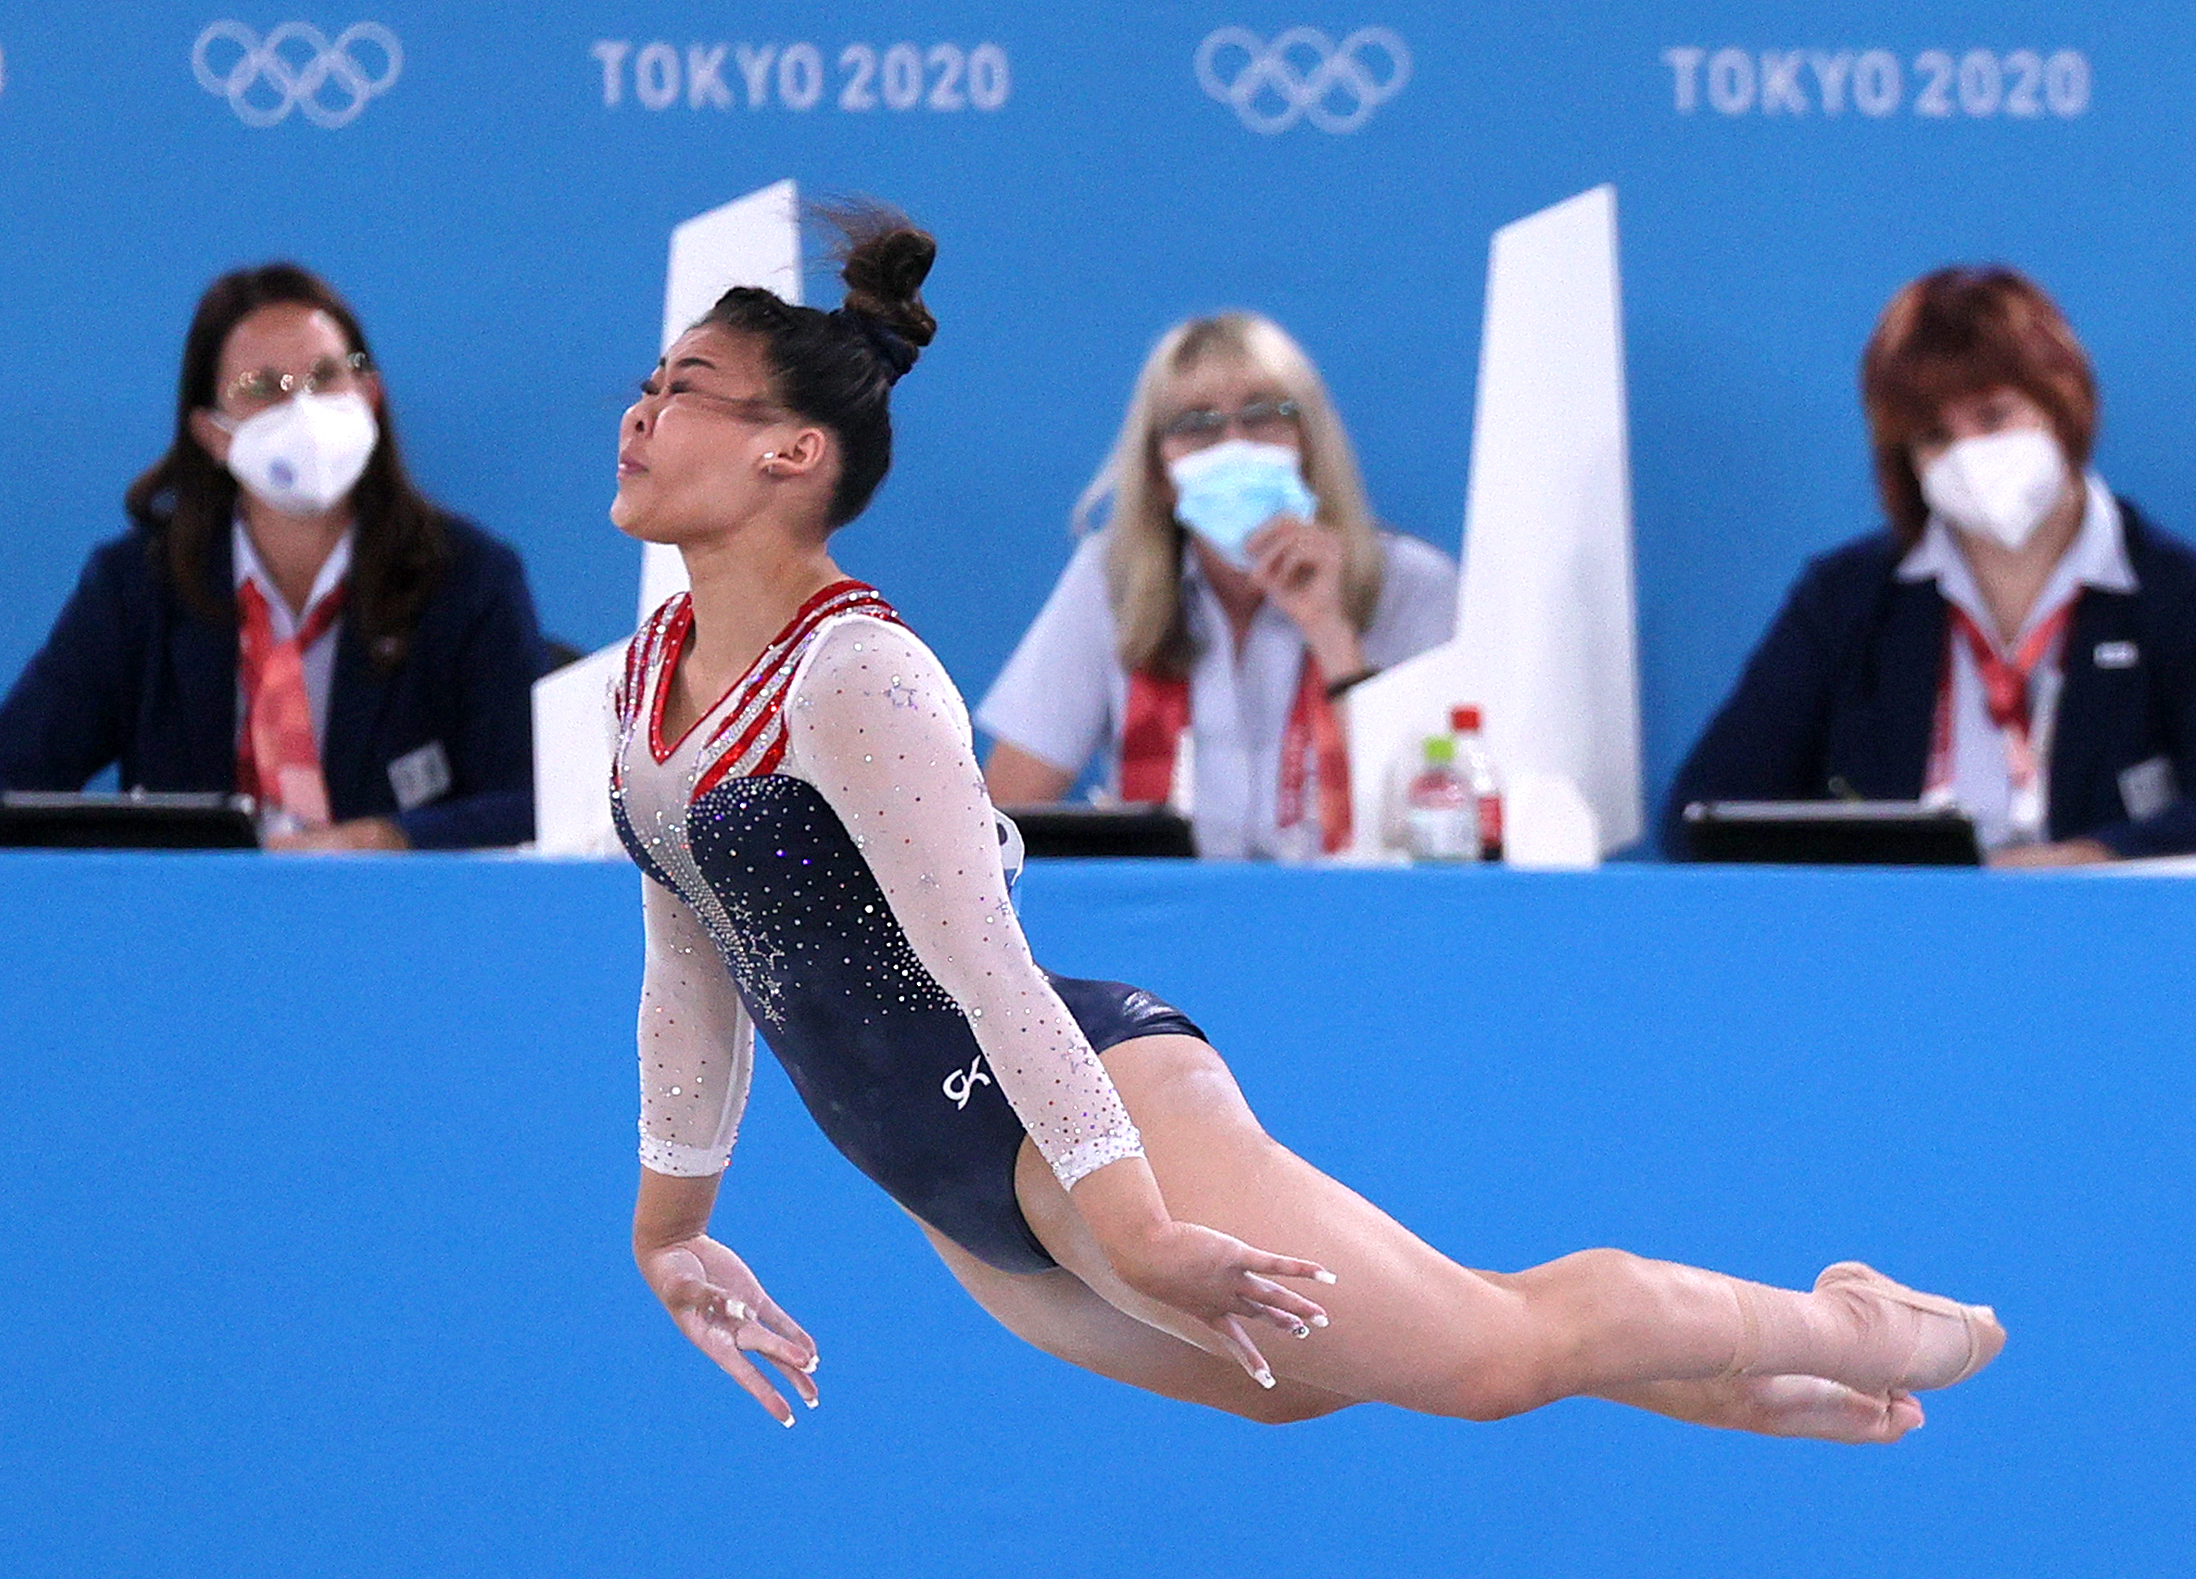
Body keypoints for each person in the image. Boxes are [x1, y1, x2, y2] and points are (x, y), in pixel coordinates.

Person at [610, 205, 2003, 1442]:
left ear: (792, 451)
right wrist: (671, 1229)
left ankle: (1845, 1323)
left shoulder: (856, 670)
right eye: (649, 383)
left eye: (683, 391)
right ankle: (1728, 1375)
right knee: (1354, 1370)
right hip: (936, 1171)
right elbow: (692, 953)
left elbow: (987, 961)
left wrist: (1142, 1225)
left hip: (1066, 1115)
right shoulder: (657, 663)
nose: (636, 414)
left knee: (1488, 1362)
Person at [0, 263, 546, 849]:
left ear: (370, 396)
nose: (303, 412)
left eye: (326, 376)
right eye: (262, 389)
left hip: (401, 925)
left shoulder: (467, 577)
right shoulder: (135, 588)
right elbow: (15, 781)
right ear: (213, 434)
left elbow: (536, 803)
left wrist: (376, 841)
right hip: (189, 924)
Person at [1666, 266, 2196, 865]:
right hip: (1892, 943)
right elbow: (1702, 812)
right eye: (1936, 437)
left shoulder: (2174, 595)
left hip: (2112, 944)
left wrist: (2089, 856)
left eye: (1994, 417)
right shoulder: (1847, 601)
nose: (1970, 455)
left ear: (2064, 403)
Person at [975, 313, 1455, 859]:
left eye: (1262, 415)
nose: (1234, 444)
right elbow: (1002, 825)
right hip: (1171, 925)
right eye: (1197, 425)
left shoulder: (1413, 584)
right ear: (1159, 471)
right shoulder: (1113, 579)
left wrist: (1331, 632)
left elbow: (1439, 816)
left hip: (1358, 918)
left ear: (1309, 444)